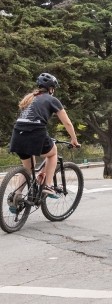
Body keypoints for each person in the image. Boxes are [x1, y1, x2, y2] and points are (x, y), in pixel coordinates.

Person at [8, 73, 80, 209]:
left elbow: (29, 117)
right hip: (35, 131)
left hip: (18, 133)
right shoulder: (52, 100)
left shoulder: (29, 98)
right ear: (51, 88)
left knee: (28, 168)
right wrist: (74, 139)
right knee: (52, 153)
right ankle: (47, 185)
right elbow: (67, 123)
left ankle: (16, 196)